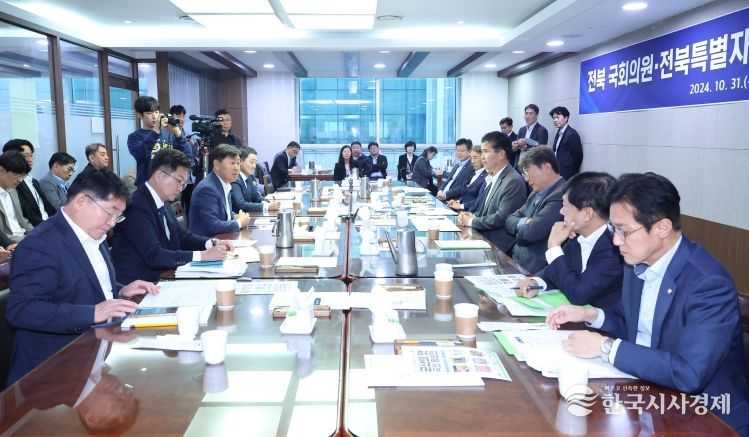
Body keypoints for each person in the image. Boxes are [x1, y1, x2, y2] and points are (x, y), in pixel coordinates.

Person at [546, 173, 749, 436]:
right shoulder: (638, 263)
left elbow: (689, 373)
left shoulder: (708, 284)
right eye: (613, 230)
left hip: (704, 416)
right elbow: (632, 326)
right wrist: (590, 314)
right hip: (647, 397)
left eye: (624, 231)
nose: (616, 241)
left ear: (662, 228)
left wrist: (606, 347)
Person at [6, 169, 159, 384]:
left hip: (96, 350)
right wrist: (93, 313)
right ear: (81, 201)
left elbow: (81, 283)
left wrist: (121, 290)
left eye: (118, 216)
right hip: (52, 369)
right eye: (110, 212)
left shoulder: (94, 234)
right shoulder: (40, 245)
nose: (113, 222)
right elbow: (22, 310)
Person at [111, 149, 234, 284]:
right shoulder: (137, 206)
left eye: (184, 184)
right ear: (160, 176)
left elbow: (181, 236)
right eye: (179, 181)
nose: (180, 188)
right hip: (140, 285)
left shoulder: (162, 200)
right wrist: (202, 256)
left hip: (165, 277)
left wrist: (210, 243)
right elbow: (154, 255)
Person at [515, 172, 622, 308]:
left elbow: (578, 295)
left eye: (565, 206)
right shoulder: (578, 236)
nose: (561, 212)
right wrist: (535, 283)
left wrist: (554, 247)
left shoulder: (613, 249)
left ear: (587, 214)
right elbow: (556, 273)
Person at [457, 132, 526, 253]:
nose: (482, 157)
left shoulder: (513, 181)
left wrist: (472, 221)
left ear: (501, 154)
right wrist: (471, 216)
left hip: (498, 247)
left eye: (485, 151)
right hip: (482, 238)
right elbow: (484, 211)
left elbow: (501, 218)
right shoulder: (493, 177)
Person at [505, 146, 565, 273]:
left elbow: (531, 232)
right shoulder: (535, 192)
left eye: (528, 172)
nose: (527, 179)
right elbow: (509, 220)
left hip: (535, 269)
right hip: (516, 261)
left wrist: (521, 225)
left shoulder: (561, 196)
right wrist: (525, 221)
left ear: (547, 167)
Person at [189, 144, 251, 237]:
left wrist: (235, 217)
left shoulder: (224, 183)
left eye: (238, 163)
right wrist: (239, 223)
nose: (236, 168)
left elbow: (223, 214)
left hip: (222, 240)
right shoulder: (207, 189)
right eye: (232, 163)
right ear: (217, 165)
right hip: (207, 243)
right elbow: (212, 225)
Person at [127, 96, 190, 187]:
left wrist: (179, 135)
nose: (154, 116)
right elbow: (140, 154)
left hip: (169, 185)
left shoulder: (168, 134)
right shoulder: (134, 137)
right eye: (149, 113)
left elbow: (188, 155)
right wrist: (156, 130)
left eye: (156, 112)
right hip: (147, 186)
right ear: (139, 115)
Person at [2, 139, 55, 226]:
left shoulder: (33, 181)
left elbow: (48, 208)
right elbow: (24, 218)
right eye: (25, 156)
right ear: (11, 157)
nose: (30, 160)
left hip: (48, 224)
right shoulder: (12, 184)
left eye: (31, 155)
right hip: (37, 228)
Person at [230, 147, 278, 213]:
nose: (254, 166)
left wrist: (268, 202)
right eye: (251, 162)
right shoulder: (235, 179)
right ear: (240, 162)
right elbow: (241, 205)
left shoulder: (251, 177)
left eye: (255, 163)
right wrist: (267, 207)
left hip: (251, 215)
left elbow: (257, 197)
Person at [0, 151, 33, 242]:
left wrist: (36, 233)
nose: (20, 180)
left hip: (24, 236)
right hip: (9, 242)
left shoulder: (13, 190)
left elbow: (22, 221)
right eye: (16, 174)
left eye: (22, 175)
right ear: (1, 170)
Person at [447, 145, 486, 213]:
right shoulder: (472, 173)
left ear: (483, 158)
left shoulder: (486, 177)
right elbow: (465, 191)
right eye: (471, 158)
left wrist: (461, 206)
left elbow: (480, 200)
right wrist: (457, 201)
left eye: (475, 158)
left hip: (469, 212)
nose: (472, 161)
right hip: (460, 209)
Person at [549, 106, 583, 180]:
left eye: (557, 117)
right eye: (554, 118)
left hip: (567, 175)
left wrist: (571, 175)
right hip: (557, 172)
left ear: (566, 118)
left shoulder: (572, 134)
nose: (555, 120)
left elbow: (578, 158)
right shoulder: (559, 132)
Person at [512, 104, 549, 170]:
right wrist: (515, 146)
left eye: (531, 113)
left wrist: (526, 147)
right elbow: (517, 147)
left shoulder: (542, 130)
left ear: (536, 115)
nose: (527, 116)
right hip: (520, 166)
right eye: (526, 113)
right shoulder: (522, 129)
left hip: (534, 166)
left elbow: (542, 150)